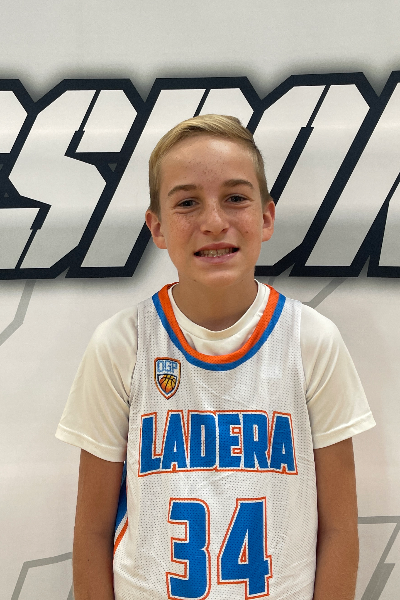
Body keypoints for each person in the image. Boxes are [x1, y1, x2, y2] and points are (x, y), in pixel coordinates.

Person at [56, 114, 375, 600]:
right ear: (158, 227)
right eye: (187, 202)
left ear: (266, 218)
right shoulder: (122, 344)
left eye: (235, 198)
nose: (213, 222)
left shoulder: (311, 341)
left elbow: (339, 529)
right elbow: (92, 532)